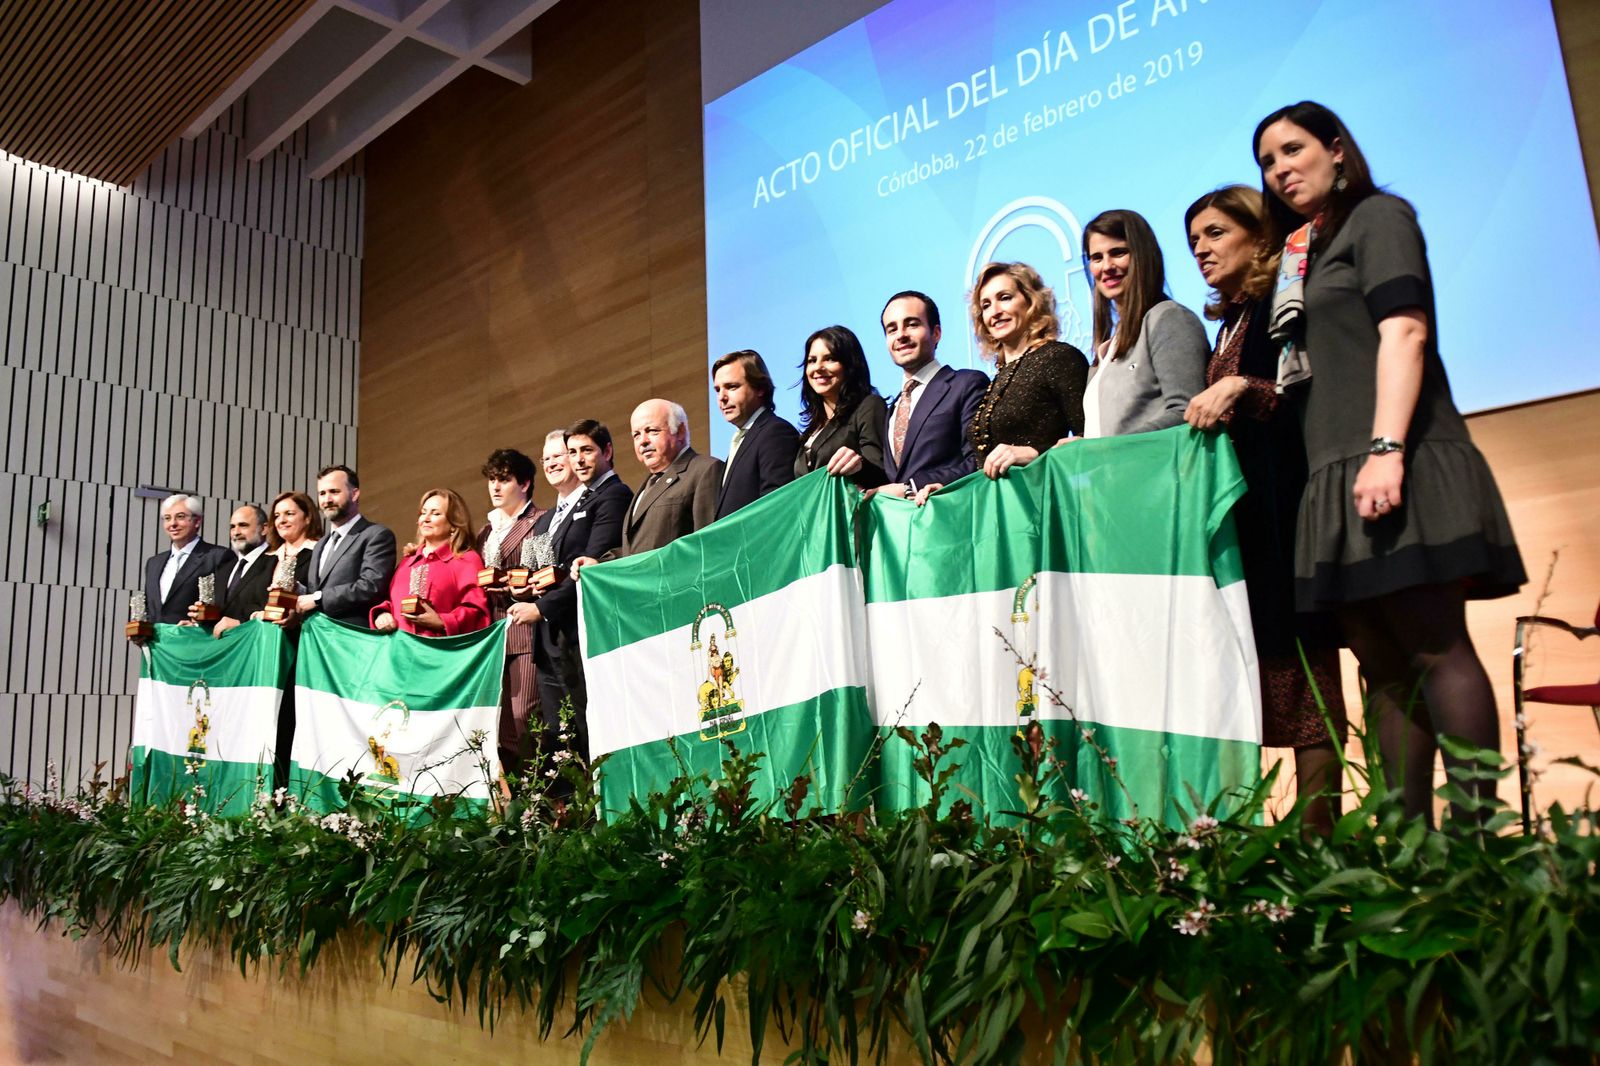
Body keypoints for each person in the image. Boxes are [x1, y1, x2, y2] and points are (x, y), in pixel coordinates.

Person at [1253, 100, 1524, 823]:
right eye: (1268, 162)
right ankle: (1408, 848)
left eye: (1293, 150)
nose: (1280, 170)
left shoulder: (1379, 217)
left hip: (1395, 457)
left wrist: (1386, 451)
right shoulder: (1301, 254)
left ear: (1337, 149)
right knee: (1383, 670)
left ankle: (1475, 850)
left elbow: (1405, 333)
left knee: (1437, 650)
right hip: (1333, 473)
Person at [1182, 184, 1348, 832]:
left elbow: (1308, 384)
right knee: (1261, 686)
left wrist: (1240, 386)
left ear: (1258, 236)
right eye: (1194, 240)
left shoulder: (1285, 299)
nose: (1201, 249)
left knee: (1308, 689)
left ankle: (1321, 847)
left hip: (1289, 519)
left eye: (1216, 233)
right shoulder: (1230, 319)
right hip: (1249, 527)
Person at [513, 420, 633, 764]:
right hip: (550, 635)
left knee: (586, 728)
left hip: (579, 628)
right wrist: (523, 589)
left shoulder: (611, 496)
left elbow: (589, 568)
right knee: (560, 736)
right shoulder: (552, 516)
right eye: (571, 452)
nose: (576, 459)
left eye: (584, 451)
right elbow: (542, 566)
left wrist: (542, 608)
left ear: (606, 451)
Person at [1081, 210, 1208, 439]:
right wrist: (1079, 447)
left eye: (1118, 252)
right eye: (1097, 258)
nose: (1106, 266)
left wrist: (1106, 449)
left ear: (1143, 254)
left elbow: (1187, 412)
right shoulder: (1107, 348)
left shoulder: (1169, 318)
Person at [965, 262, 1089, 478]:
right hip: (1000, 498)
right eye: (986, 305)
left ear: (1032, 301)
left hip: (1045, 492)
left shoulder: (1059, 357)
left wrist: (1037, 454)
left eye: (1005, 298)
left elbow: (1091, 441)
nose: (995, 312)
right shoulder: (999, 377)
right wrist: (947, 489)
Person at [574, 399, 723, 568]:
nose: (642, 441)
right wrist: (598, 564)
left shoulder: (704, 470)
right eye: (636, 435)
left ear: (680, 431)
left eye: (651, 431)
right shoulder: (648, 484)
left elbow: (707, 545)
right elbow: (635, 550)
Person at [874, 290, 988, 501]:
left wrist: (911, 488)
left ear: (936, 333)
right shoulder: (892, 409)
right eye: (892, 329)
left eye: (912, 324)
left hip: (952, 513)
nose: (901, 335)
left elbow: (979, 460)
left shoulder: (966, 384)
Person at [475, 448, 545, 774]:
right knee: (500, 722)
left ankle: (542, 788)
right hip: (493, 634)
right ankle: (516, 791)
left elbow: (545, 572)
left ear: (525, 483)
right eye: (492, 479)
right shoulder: (486, 531)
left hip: (525, 628)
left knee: (524, 714)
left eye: (504, 479)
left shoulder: (539, 521)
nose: (495, 486)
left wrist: (518, 586)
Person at [371, 489, 490, 636]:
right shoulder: (407, 562)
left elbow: (477, 611)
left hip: (439, 648)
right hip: (400, 648)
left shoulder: (466, 560)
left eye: (436, 514)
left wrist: (442, 622)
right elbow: (391, 601)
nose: (426, 519)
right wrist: (382, 614)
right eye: (423, 513)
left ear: (454, 524)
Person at [293, 465, 397, 628]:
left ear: (354, 494)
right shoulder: (321, 544)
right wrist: (296, 589)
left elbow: (371, 586)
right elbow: (315, 592)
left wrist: (319, 598)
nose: (327, 500)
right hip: (316, 635)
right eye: (322, 493)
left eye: (334, 492)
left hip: (351, 635)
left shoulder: (376, 535)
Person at [793, 325, 889, 489]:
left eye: (830, 359)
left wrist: (859, 466)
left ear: (850, 365)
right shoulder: (811, 430)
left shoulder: (869, 406)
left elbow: (881, 471)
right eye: (812, 360)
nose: (818, 367)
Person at [712, 350, 801, 519]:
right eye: (717, 390)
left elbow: (776, 506)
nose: (722, 397)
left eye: (732, 387)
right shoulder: (742, 438)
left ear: (760, 388)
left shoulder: (776, 433)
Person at [143, 494, 230, 625]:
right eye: (167, 518)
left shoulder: (218, 557)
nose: (173, 524)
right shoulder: (153, 563)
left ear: (197, 521)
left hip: (193, 636)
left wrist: (197, 625)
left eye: (180, 517)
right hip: (157, 637)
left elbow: (226, 605)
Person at [200, 504, 274, 637]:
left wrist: (241, 624)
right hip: (223, 646)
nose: (236, 532)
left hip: (256, 644)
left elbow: (275, 613)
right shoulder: (225, 568)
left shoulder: (276, 562)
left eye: (243, 525)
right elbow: (221, 613)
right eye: (232, 527)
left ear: (264, 529)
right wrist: (198, 622)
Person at [264, 489, 323, 595]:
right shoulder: (266, 557)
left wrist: (297, 589)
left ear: (308, 518)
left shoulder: (321, 553)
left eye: (289, 514)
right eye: (277, 516)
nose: (281, 520)